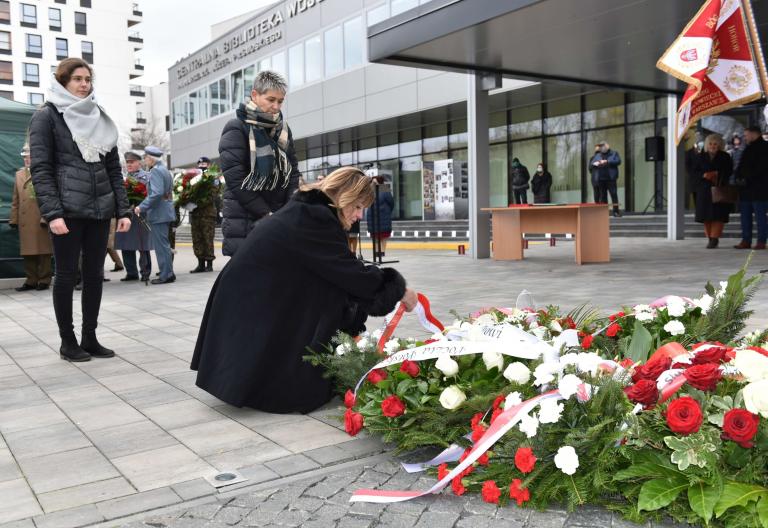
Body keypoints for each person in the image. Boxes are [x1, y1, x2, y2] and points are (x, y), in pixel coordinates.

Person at [191, 167, 418, 414]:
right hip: (253, 295)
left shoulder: (309, 211)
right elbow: (347, 272)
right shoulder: (316, 218)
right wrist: (399, 289)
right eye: (358, 207)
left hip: (251, 291)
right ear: (344, 196)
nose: (359, 216)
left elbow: (335, 268)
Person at [29, 57, 131, 362]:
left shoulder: (100, 117)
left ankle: (90, 337)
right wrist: (53, 213)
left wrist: (123, 210)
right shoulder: (46, 117)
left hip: (100, 210)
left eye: (88, 79)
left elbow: (114, 169)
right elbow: (42, 169)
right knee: (65, 275)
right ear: (63, 82)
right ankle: (67, 340)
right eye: (77, 79)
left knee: (94, 275)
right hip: (67, 212)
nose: (84, 84)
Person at [219, 70, 300, 256]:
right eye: (271, 100)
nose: (276, 106)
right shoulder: (236, 127)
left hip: (279, 218)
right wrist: (266, 213)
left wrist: (288, 209)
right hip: (246, 221)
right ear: (255, 95)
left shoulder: (283, 130)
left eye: (280, 101)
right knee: (249, 282)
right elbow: (235, 178)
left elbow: (293, 171)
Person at [10, 143, 53, 292]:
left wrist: (47, 217)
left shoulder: (45, 172)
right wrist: (13, 219)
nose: (27, 160)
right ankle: (31, 280)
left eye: (29, 157)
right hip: (25, 220)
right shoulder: (18, 174)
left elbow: (49, 197)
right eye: (25, 157)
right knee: (28, 253)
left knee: (43, 252)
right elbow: (15, 200)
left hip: (40, 219)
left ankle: (44, 280)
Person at [135, 146, 176, 284]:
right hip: (164, 211)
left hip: (159, 213)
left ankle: (166, 275)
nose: (145, 160)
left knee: (161, 245)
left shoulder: (156, 171)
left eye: (145, 158)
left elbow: (156, 193)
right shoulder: (164, 170)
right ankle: (169, 273)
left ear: (151, 158)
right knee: (164, 244)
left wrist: (141, 207)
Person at [116, 151, 153, 281]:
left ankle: (145, 272)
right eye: (127, 162)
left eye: (132, 162)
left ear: (139, 163)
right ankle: (131, 272)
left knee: (142, 245)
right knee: (125, 243)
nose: (129, 164)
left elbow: (151, 195)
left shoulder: (147, 177)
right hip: (126, 215)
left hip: (140, 215)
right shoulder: (122, 178)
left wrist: (139, 204)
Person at [691, 133, 733, 249]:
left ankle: (715, 239)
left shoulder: (725, 156)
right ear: (706, 144)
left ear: (720, 145)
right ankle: (709, 237)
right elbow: (693, 172)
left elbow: (729, 171)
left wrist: (717, 174)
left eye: (715, 144)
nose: (713, 146)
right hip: (704, 190)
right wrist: (704, 175)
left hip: (719, 189)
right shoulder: (700, 157)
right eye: (710, 144)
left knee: (718, 216)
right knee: (706, 216)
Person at [733, 126, 768, 250]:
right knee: (745, 216)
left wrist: (747, 177)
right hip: (745, 189)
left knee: (760, 216)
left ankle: (761, 241)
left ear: (754, 134)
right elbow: (741, 165)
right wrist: (737, 177)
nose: (745, 137)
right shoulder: (748, 148)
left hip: (759, 188)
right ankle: (746, 240)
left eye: (746, 135)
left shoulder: (764, 147)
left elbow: (762, 168)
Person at [189, 156, 217, 273]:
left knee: (207, 238)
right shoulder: (194, 178)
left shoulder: (213, 178)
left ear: (209, 165)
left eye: (204, 164)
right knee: (197, 238)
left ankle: (209, 264)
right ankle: (200, 263)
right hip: (195, 214)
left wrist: (198, 203)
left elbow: (213, 195)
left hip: (207, 214)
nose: (202, 166)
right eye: (200, 165)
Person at [366, 175, 395, 257]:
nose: (374, 182)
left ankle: (382, 252)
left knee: (383, 236)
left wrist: (387, 211)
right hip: (373, 216)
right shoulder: (370, 190)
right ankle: (376, 252)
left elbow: (391, 202)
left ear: (380, 181)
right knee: (375, 237)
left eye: (375, 181)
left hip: (383, 216)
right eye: (373, 181)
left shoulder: (384, 188)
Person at [592, 141, 622, 217]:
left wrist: (607, 161)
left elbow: (618, 161)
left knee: (614, 194)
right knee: (603, 196)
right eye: (600, 146)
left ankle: (616, 211)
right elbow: (592, 164)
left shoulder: (614, 153)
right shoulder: (598, 155)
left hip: (611, 178)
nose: (601, 147)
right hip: (601, 179)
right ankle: (605, 213)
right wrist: (597, 163)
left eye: (602, 146)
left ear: (607, 146)